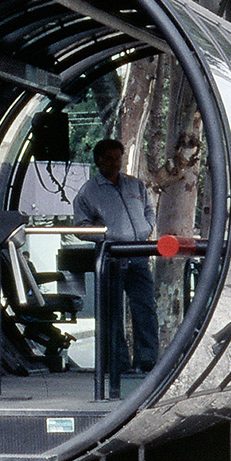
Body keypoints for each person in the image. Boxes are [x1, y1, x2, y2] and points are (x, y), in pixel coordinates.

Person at [73, 138, 159, 372]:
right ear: (99, 160)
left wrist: (147, 227)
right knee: (112, 313)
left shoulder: (135, 185)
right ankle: (117, 364)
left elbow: (149, 210)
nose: (115, 163)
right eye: (109, 158)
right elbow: (80, 227)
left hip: (139, 252)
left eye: (117, 158)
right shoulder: (89, 191)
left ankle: (148, 361)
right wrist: (106, 236)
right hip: (111, 255)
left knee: (145, 308)